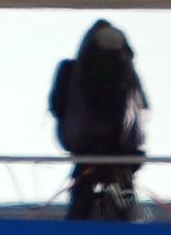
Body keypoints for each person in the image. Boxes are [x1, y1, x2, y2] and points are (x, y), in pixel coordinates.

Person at [48, 19, 147, 222]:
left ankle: (73, 234)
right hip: (121, 158)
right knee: (127, 213)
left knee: (78, 215)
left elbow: (57, 105)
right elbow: (142, 110)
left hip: (86, 155)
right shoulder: (129, 73)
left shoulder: (71, 70)